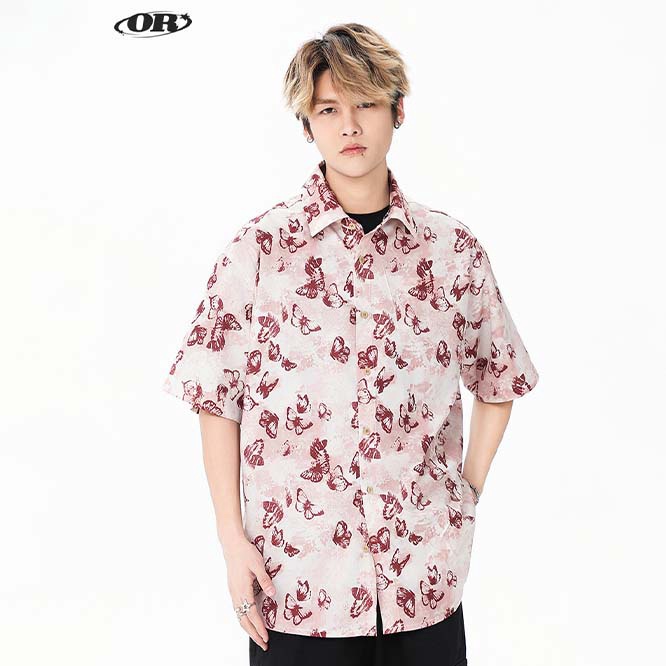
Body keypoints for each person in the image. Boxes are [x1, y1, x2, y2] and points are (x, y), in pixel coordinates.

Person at [162, 22, 539, 666]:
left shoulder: (451, 252)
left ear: (398, 109)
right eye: (328, 110)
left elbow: (500, 378)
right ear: (307, 124)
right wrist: (231, 540)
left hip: (423, 579)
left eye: (366, 103)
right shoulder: (260, 252)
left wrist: (464, 496)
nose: (350, 126)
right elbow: (214, 400)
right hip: (298, 587)